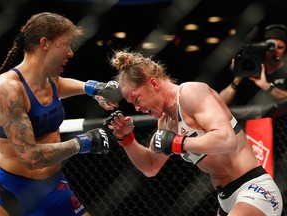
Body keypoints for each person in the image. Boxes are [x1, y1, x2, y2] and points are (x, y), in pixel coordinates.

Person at [104, 49, 283, 215]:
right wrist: (127, 139)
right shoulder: (165, 122)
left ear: (153, 83)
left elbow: (227, 140)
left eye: (136, 98)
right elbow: (151, 166)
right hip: (226, 199)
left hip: (254, 188)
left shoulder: (191, 93)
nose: (137, 108)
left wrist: (179, 143)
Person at [0, 12, 121, 216]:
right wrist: (84, 142)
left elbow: (60, 85)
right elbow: (31, 157)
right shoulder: (7, 89)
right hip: (11, 191)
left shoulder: (48, 79)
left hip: (53, 186)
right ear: (45, 43)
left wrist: (94, 88)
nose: (71, 53)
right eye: (66, 44)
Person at [219, 24, 287, 107]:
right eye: (270, 47)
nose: (274, 51)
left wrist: (266, 86)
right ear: (263, 47)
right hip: (247, 117)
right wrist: (237, 79)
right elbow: (220, 104)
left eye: (280, 47)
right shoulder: (250, 65)